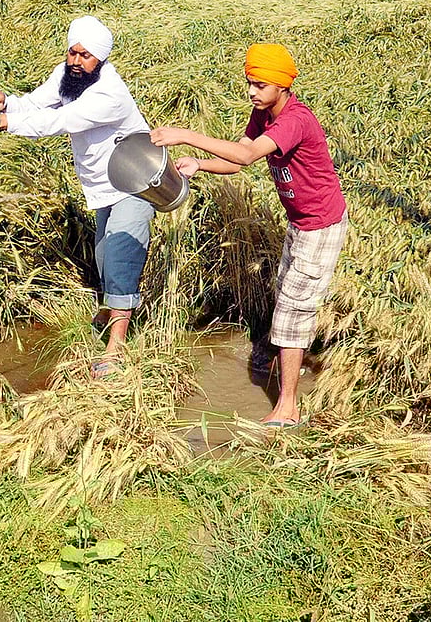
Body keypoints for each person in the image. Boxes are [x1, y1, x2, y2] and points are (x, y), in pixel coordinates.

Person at [149, 43, 348, 427]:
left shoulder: (294, 120)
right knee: (288, 294)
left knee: (293, 308)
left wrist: (185, 135)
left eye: (259, 85)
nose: (251, 92)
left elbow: (247, 156)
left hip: (320, 224)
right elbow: (237, 158)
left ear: (282, 86)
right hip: (300, 221)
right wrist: (200, 164)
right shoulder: (264, 114)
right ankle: (294, 362)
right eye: (249, 83)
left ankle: (288, 406)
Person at [0, 16, 155, 377]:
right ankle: (111, 310)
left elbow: (59, 122)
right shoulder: (67, 75)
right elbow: (38, 106)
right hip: (101, 184)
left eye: (86, 56)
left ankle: (116, 348)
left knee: (119, 254)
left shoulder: (108, 94)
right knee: (102, 252)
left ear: (102, 59)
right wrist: (6, 104)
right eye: (73, 52)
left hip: (135, 179)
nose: (76, 61)